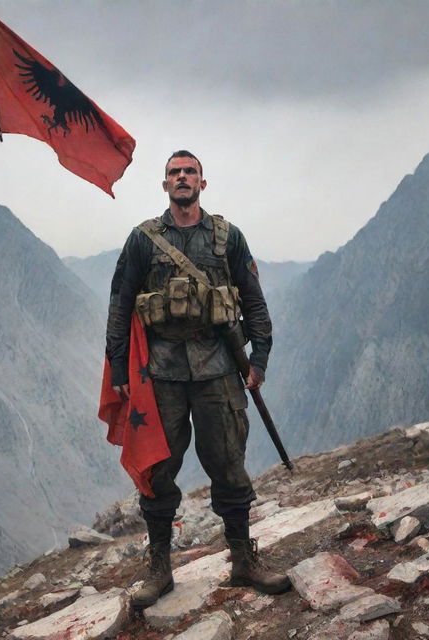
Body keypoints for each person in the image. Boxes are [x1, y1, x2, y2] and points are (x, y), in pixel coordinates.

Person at [105, 150, 289, 608]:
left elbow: (254, 302)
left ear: (202, 184)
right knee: (159, 472)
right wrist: (120, 365)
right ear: (164, 185)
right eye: (174, 173)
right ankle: (160, 568)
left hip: (218, 370)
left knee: (228, 464)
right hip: (161, 374)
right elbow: (121, 303)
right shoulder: (142, 241)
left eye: (190, 172)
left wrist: (258, 360)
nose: (182, 178)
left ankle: (244, 560)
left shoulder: (228, 238)